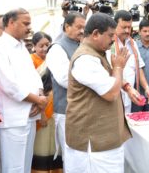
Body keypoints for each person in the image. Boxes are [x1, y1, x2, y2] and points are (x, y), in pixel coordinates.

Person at [65, 12, 131, 173]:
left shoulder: (97, 54)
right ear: (95, 34)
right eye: (110, 36)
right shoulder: (85, 59)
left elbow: (110, 82)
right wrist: (118, 67)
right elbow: (111, 93)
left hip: (102, 140)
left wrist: (127, 86)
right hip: (94, 143)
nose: (112, 40)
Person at [0, 8, 48, 173]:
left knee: (25, 165)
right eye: (25, 23)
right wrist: (37, 100)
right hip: (11, 119)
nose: (29, 28)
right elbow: (9, 85)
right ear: (11, 23)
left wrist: (40, 95)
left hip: (30, 114)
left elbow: (33, 75)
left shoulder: (20, 46)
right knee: (12, 167)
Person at [46, 12, 86, 160]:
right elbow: (64, 79)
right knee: (72, 157)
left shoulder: (81, 45)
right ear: (67, 26)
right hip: (66, 112)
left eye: (84, 27)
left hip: (83, 110)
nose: (82, 31)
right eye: (79, 27)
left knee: (82, 156)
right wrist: (92, 81)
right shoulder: (57, 48)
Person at [111, 10, 149, 114]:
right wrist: (128, 88)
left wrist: (147, 88)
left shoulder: (132, 44)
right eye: (123, 27)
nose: (127, 30)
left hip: (130, 96)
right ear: (115, 25)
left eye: (129, 27)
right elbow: (111, 70)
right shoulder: (110, 43)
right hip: (114, 96)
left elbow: (138, 67)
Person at [30, 32, 61, 173]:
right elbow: (33, 90)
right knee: (41, 147)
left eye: (47, 45)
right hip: (40, 111)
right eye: (40, 46)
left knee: (54, 146)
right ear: (33, 46)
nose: (44, 49)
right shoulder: (30, 61)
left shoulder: (54, 60)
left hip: (55, 110)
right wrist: (42, 113)